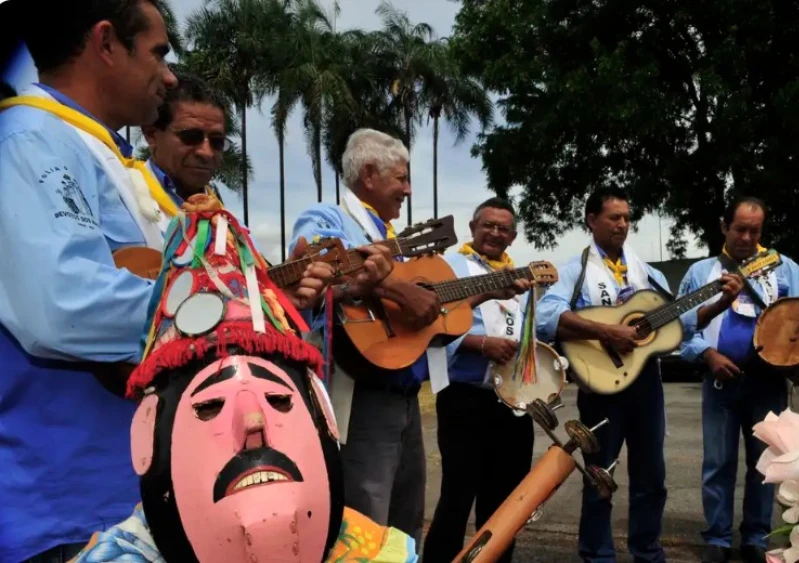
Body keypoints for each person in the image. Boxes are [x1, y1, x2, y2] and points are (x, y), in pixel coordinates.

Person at [69, 202, 418, 563]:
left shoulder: (376, 551)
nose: (253, 421)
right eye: (209, 406)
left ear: (323, 412)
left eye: (278, 399)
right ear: (147, 436)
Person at [290, 128, 529, 546]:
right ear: (369, 174)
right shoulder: (328, 218)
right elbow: (318, 266)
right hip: (361, 393)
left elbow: (425, 315)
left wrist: (485, 292)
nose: (408, 189)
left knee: (406, 521)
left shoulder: (396, 240)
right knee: (366, 522)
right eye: (401, 178)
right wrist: (398, 290)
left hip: (404, 393)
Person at [0, 2, 176, 561]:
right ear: (105, 43)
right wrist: (214, 309)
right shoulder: (29, 141)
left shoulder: (93, 151)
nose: (169, 76)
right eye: (158, 54)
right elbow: (63, 303)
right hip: (66, 507)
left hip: (119, 494)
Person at [677, 195, 799, 563]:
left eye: (754, 231)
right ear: (724, 226)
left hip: (769, 383)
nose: (746, 237)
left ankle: (756, 538)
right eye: (740, 229)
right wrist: (707, 355)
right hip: (720, 383)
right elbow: (679, 328)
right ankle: (718, 538)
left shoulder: (783, 268)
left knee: (767, 465)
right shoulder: (700, 274)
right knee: (718, 462)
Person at [536, 186, 670, 563]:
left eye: (627, 218)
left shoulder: (647, 273)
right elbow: (546, 318)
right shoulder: (574, 271)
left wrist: (720, 300)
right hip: (599, 383)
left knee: (651, 477)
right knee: (599, 476)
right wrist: (606, 331)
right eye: (614, 217)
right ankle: (597, 556)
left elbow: (681, 321)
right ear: (592, 220)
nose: (622, 224)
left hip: (646, 384)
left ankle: (648, 552)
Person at [422, 197, 536, 563]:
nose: (495, 233)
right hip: (465, 398)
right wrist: (480, 344)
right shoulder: (450, 268)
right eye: (488, 225)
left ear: (513, 237)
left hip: (513, 402)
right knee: (457, 497)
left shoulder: (521, 278)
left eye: (504, 228)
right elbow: (432, 324)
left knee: (505, 506)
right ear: (472, 228)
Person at [140, 69, 230, 207]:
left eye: (217, 141)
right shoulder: (119, 195)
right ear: (151, 134)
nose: (207, 153)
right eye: (191, 137)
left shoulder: (225, 218)